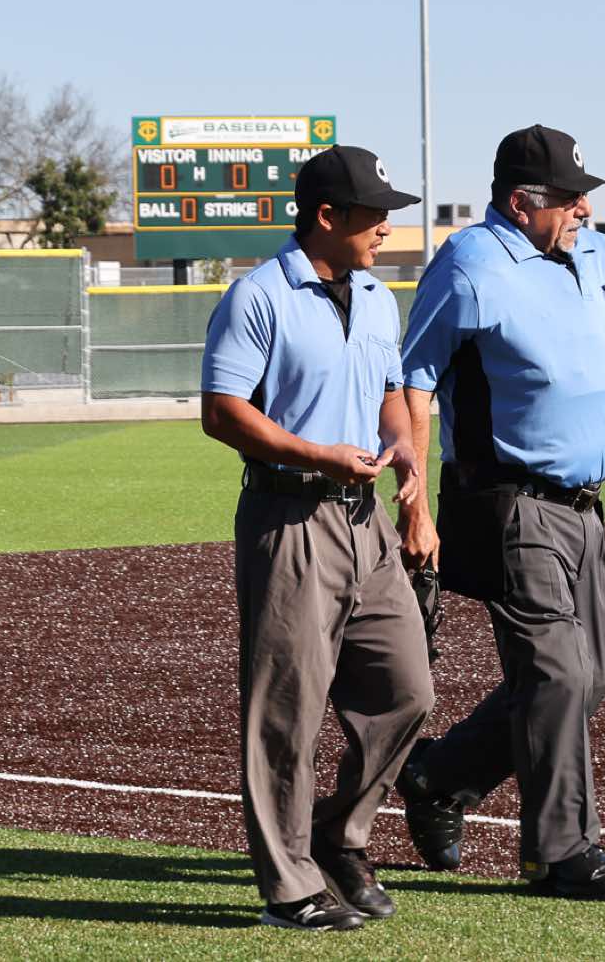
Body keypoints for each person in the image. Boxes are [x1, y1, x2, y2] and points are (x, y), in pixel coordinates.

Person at [393, 124, 605, 901]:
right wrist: (415, 503)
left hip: (584, 507)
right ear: (518, 201)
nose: (583, 207)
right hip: (506, 500)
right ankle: (559, 852)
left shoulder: (602, 256)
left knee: (582, 679)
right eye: (568, 196)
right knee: (558, 671)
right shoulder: (469, 265)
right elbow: (415, 383)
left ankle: (439, 774)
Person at [200, 144, 439, 932]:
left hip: (365, 520)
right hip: (290, 516)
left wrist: (402, 446)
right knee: (288, 711)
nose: (387, 227)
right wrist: (316, 454)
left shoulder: (376, 296)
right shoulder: (259, 295)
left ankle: (339, 835)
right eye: (376, 214)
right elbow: (221, 411)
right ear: (328, 216)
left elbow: (390, 392)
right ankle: (289, 887)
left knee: (407, 690)